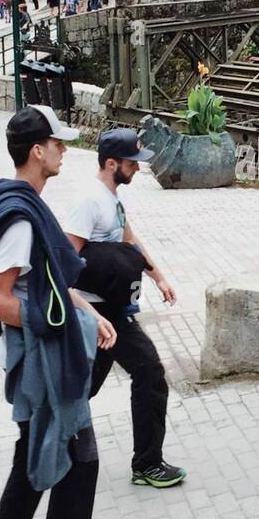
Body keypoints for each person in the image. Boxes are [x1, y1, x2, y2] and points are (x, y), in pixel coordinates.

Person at [0, 104, 118, 519]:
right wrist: (59, 324)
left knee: (32, 459)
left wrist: (84, 311)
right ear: (38, 151)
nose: (64, 151)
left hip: (41, 356)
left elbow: (47, 283)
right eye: (58, 144)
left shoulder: (23, 202)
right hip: (43, 362)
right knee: (80, 461)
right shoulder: (20, 217)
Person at [66, 128, 186, 489]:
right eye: (133, 162)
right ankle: (144, 464)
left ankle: (144, 462)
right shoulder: (89, 202)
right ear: (111, 163)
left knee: (102, 383)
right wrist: (88, 315)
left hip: (113, 314)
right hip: (96, 316)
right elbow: (65, 264)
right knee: (135, 377)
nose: (138, 168)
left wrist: (159, 277)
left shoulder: (112, 200)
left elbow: (130, 242)